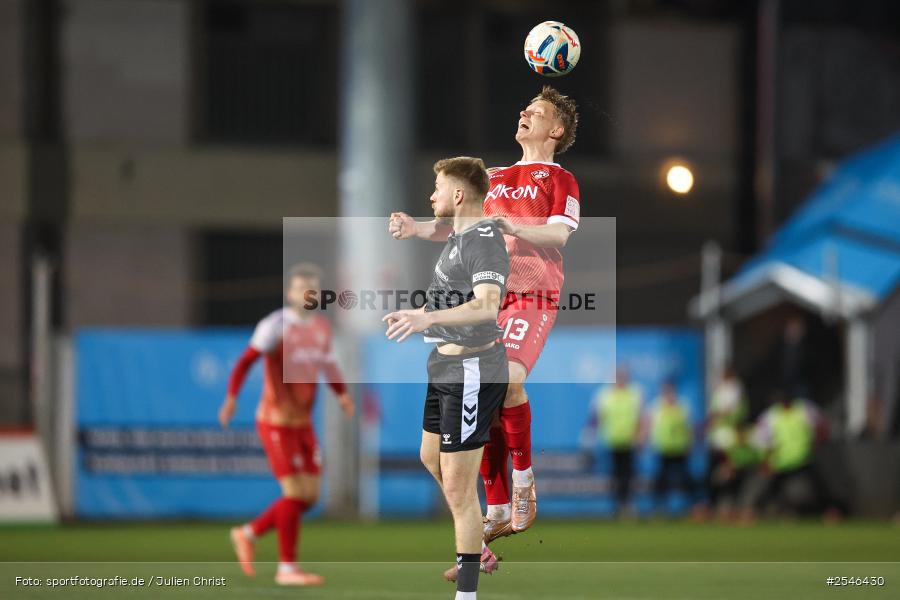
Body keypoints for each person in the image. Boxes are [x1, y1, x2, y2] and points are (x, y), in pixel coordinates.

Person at [389, 86, 581, 555]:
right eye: (524, 109)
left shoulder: (560, 180)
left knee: (510, 379)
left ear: (555, 130)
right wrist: (417, 228)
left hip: (533, 293)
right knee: (488, 396)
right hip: (488, 298)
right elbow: (461, 223)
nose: (524, 113)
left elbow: (559, 233)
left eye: (535, 112)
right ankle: (494, 505)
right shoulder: (493, 176)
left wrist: (515, 227)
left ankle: (523, 479)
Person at [383, 156, 510, 599]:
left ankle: (468, 593)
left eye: (437, 186)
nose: (431, 194)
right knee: (429, 456)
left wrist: (426, 317)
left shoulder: (484, 241)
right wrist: (419, 315)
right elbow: (449, 301)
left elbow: (486, 307)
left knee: (458, 486)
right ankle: (476, 545)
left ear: (458, 195)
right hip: (444, 366)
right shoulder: (460, 236)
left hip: (472, 369)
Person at [219, 263, 355, 586]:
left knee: (308, 497)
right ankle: (287, 568)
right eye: (301, 289)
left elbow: (327, 364)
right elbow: (245, 362)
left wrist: (342, 394)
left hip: (304, 424)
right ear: (290, 293)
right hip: (276, 422)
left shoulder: (320, 327)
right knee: (295, 493)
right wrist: (232, 397)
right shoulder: (275, 326)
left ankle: (248, 532)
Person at [751, 390, 843, 520]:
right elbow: (763, 440)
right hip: (783, 460)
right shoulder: (771, 415)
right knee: (771, 489)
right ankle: (754, 511)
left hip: (803, 458)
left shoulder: (804, 409)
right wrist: (766, 461)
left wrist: (817, 443)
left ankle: (831, 511)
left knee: (819, 487)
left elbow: (821, 426)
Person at [587, 367, 643, 515]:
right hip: (611, 442)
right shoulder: (604, 395)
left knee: (629, 476)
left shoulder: (634, 393)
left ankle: (628, 505)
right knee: (615, 476)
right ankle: (618, 506)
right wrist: (589, 441)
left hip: (630, 442)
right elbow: (596, 419)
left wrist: (640, 437)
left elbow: (642, 418)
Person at [645, 380, 701, 515]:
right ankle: (659, 508)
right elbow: (649, 426)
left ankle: (693, 506)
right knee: (661, 479)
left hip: (680, 448)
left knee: (685, 478)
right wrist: (646, 441)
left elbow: (689, 427)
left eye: (670, 390)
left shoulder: (682, 406)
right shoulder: (656, 406)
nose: (668, 393)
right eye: (666, 390)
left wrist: (690, 443)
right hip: (663, 448)